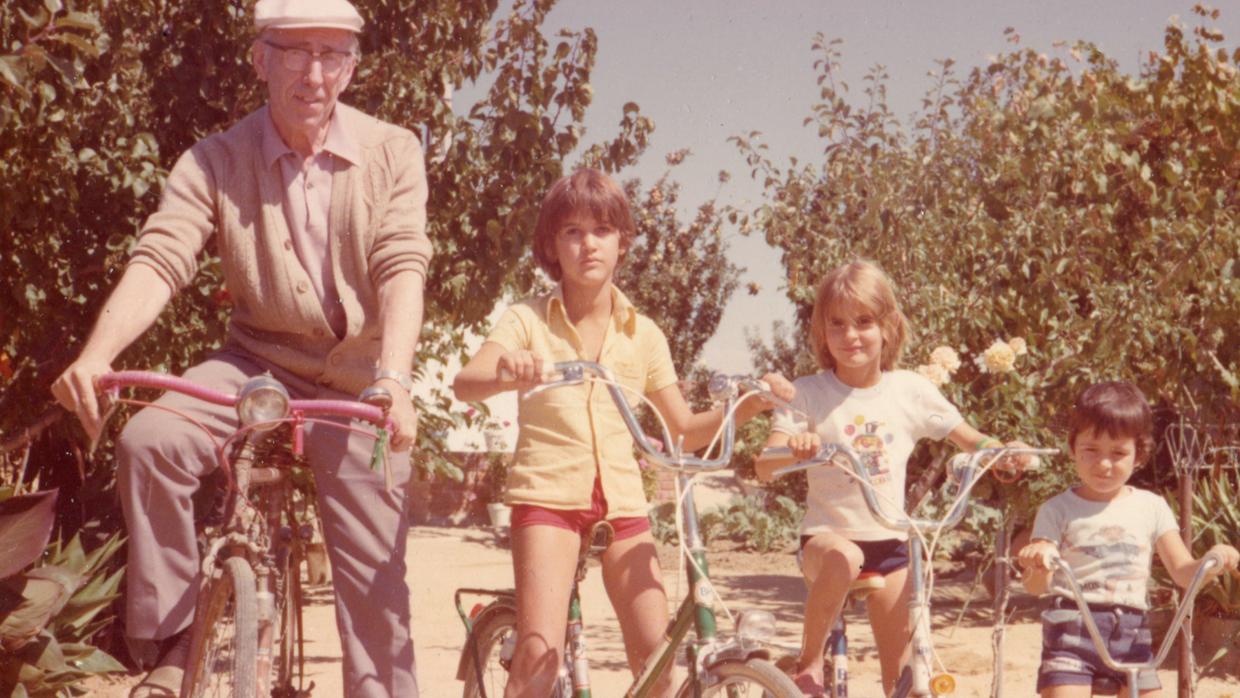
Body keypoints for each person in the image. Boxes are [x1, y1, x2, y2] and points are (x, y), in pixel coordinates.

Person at [50, 1, 432, 695]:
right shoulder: (216, 159)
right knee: (151, 441)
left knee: (380, 605)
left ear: (350, 66)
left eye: (333, 55)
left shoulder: (392, 149)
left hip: (358, 381)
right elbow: (162, 257)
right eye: (295, 52)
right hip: (255, 367)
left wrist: (395, 378)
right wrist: (97, 353)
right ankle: (174, 643)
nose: (315, 74)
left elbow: (403, 263)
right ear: (260, 59)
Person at [452, 168, 794, 698]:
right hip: (548, 499)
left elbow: (682, 431)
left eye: (602, 231)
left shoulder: (644, 334)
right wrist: (507, 370)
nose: (588, 245)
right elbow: (465, 382)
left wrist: (744, 407)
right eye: (572, 232)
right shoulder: (526, 319)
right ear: (552, 245)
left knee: (657, 664)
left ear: (622, 241)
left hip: (622, 505)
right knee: (540, 660)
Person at [753, 259, 1029, 697]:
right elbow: (765, 464)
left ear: (888, 326)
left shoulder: (909, 390)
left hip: (889, 543)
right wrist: (794, 448)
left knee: (903, 678)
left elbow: (969, 437)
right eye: (837, 324)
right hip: (827, 540)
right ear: (822, 332)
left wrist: (999, 454)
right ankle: (808, 667)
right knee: (843, 557)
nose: (851, 336)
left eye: (864, 322)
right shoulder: (808, 392)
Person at [1016, 381, 1240, 698]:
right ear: (1072, 448)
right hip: (1072, 630)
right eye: (1091, 450)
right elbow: (1037, 587)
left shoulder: (1151, 506)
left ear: (1139, 455)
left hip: (1133, 634)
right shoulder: (1057, 510)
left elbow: (1181, 573)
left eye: (1118, 453)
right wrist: (1038, 561)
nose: (1104, 464)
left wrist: (1210, 562)